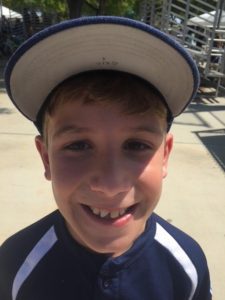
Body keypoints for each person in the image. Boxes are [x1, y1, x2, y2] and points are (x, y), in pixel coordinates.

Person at [0, 16, 211, 300]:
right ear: (46, 158)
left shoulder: (187, 266)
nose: (111, 184)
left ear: (165, 156)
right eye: (78, 146)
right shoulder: (13, 265)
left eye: (136, 145)